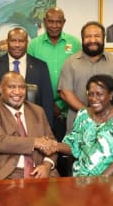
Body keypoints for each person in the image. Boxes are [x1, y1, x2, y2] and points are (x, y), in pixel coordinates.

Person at [54, 75, 113, 183]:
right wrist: (53, 146)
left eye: (99, 94)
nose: (94, 99)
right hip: (84, 178)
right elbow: (73, 145)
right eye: (90, 94)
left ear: (110, 95)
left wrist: (100, 181)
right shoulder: (83, 115)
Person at [0, 72, 60, 180]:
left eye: (22, 87)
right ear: (1, 89)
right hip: (6, 173)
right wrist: (35, 142)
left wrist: (47, 165)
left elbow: (51, 143)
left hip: (41, 172)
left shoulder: (37, 111)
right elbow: (0, 142)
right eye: (11, 87)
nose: (17, 92)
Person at [58, 21, 113, 133]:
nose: (92, 40)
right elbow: (65, 93)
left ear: (103, 38)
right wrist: (89, 113)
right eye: (88, 36)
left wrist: (104, 115)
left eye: (97, 36)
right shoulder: (70, 63)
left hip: (109, 127)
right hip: (77, 128)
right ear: (82, 39)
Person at [27, 7, 81, 140]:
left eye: (58, 22)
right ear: (45, 22)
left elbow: (79, 76)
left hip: (70, 109)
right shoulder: (34, 45)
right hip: (41, 110)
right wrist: (48, 105)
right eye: (51, 22)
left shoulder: (74, 44)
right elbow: (31, 79)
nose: (54, 26)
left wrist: (61, 104)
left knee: (68, 150)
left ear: (64, 22)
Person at [0, 26, 53, 126]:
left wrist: (47, 128)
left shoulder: (40, 67)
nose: (17, 45)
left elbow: (47, 101)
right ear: (7, 42)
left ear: (27, 43)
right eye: (13, 41)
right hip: (2, 124)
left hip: (33, 125)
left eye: (21, 41)